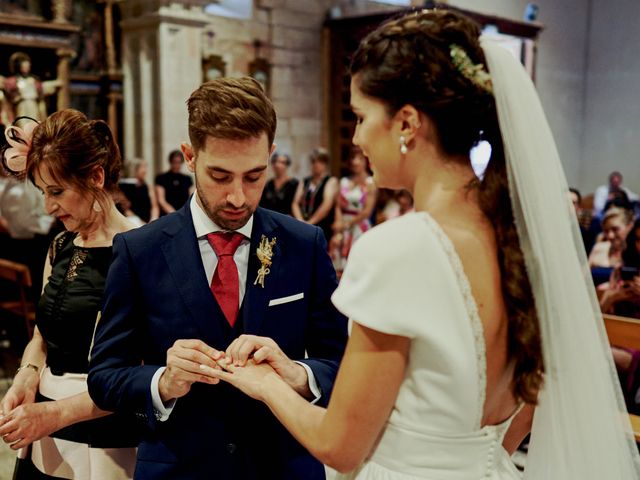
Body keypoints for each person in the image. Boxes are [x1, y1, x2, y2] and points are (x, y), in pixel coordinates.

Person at [201, 9, 640, 479]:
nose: (357, 137)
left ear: (407, 123)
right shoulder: (518, 237)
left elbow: (340, 446)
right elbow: (532, 399)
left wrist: (267, 384)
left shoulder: (401, 247)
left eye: (362, 117)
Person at [87, 77, 348, 479]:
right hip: (179, 468)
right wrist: (163, 381)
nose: (238, 198)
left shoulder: (304, 243)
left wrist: (299, 375)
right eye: (221, 176)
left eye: (254, 176)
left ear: (272, 155)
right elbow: (104, 377)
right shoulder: (139, 250)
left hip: (283, 467)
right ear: (189, 156)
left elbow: (343, 361)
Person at [0, 110, 138, 478]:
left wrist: (55, 414)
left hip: (104, 436)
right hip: (42, 427)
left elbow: (141, 373)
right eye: (43, 192)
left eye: (57, 191)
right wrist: (27, 375)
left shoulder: (139, 249)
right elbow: (41, 336)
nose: (48, 206)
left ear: (95, 176)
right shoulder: (60, 244)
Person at [330, 147, 376, 272]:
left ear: (366, 161)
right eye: (353, 158)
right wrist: (339, 223)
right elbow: (338, 205)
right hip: (343, 226)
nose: (355, 162)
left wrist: (347, 223)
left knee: (358, 263)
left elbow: (367, 211)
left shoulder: (370, 182)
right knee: (339, 264)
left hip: (359, 226)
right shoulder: (344, 181)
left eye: (359, 159)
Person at [292, 147, 338, 244]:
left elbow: (327, 205)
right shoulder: (305, 181)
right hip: (303, 226)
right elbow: (295, 203)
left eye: (320, 162)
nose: (316, 165)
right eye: (313, 161)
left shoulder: (331, 181)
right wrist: (300, 221)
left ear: (325, 164)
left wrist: (310, 223)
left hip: (322, 227)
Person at [2, 52, 60, 122]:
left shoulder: (33, 80)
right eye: (24, 65)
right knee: (22, 123)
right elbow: (9, 94)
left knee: (34, 122)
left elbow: (42, 88)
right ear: (19, 66)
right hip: (22, 106)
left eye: (28, 65)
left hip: (33, 105)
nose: (27, 67)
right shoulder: (14, 81)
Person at [119, 159, 160, 224]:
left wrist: (153, 220)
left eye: (145, 168)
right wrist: (142, 224)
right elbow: (126, 210)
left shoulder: (148, 187)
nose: (145, 171)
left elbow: (154, 206)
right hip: (133, 221)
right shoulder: (124, 187)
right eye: (143, 168)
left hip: (148, 222)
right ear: (135, 170)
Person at [154, 149, 193, 215]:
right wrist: (174, 213)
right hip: (167, 214)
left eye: (179, 162)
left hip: (184, 213)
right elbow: (161, 200)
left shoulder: (187, 179)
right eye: (175, 162)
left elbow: (191, 198)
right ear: (170, 162)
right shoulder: (161, 178)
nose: (177, 165)